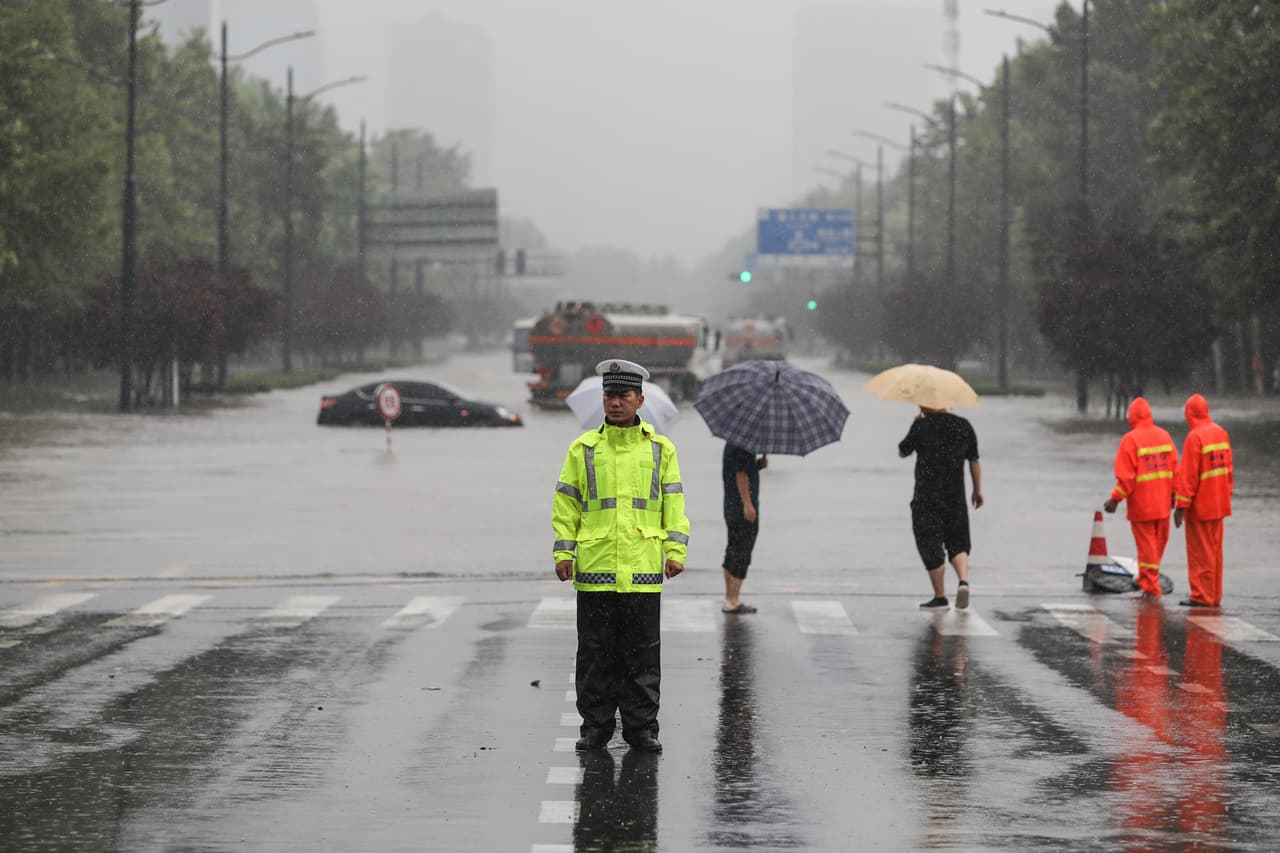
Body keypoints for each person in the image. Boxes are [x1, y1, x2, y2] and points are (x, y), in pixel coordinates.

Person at [552, 358, 690, 753]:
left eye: (623, 396)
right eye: (609, 395)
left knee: (642, 657)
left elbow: (674, 506)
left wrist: (675, 551)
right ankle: (594, 727)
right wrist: (563, 552)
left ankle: (641, 728)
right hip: (595, 569)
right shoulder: (582, 450)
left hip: (644, 571)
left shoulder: (662, 450)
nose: (615, 403)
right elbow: (566, 506)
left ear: (639, 400)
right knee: (595, 655)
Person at [898, 406, 982, 609]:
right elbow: (974, 460)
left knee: (930, 542)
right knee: (958, 541)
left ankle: (940, 595)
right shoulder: (963, 425)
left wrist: (915, 424)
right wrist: (977, 490)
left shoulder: (921, 425)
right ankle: (963, 580)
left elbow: (903, 451)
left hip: (927, 496)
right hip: (955, 496)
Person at [1103, 396, 1177, 598]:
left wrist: (1115, 499)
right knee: (1156, 546)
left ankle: (1151, 587)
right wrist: (1174, 495)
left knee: (1147, 549)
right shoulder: (1165, 436)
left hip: (1143, 506)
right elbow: (1175, 470)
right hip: (1163, 504)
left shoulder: (1131, 440)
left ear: (1131, 416)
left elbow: (1127, 478)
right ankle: (1147, 577)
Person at [1173, 393, 1233, 607]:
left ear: (1191, 413)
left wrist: (1181, 507)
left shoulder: (1194, 438)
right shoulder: (1221, 433)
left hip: (1201, 506)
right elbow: (1228, 471)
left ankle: (1201, 596)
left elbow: (1189, 478)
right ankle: (1214, 595)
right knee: (1215, 553)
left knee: (1200, 553)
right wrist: (1226, 494)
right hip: (1219, 503)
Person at [721, 442, 768, 614]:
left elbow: (740, 470)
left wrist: (757, 466)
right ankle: (733, 600)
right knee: (742, 553)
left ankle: (729, 598)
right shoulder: (744, 445)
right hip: (741, 510)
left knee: (733, 550)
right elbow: (740, 474)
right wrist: (747, 504)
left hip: (731, 507)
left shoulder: (733, 443)